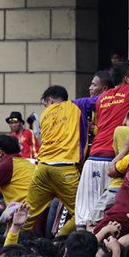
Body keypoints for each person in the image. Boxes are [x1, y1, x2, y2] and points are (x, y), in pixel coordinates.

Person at [77, 61, 129, 230]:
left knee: (84, 215)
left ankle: (78, 249)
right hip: (112, 160)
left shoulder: (102, 98)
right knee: (106, 216)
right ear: (127, 79)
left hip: (92, 158)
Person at [25, 85, 95, 235]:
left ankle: (9, 245)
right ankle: (59, 240)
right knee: (83, 214)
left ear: (49, 100)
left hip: (42, 168)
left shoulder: (45, 114)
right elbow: (100, 101)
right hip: (65, 169)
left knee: (26, 215)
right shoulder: (76, 105)